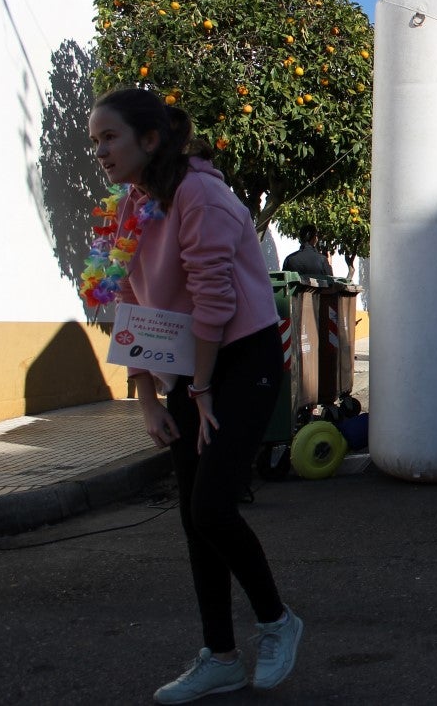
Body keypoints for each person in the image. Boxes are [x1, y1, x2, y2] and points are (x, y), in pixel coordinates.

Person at [84, 88, 302, 703]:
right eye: (95, 139)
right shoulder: (129, 205)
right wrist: (148, 397)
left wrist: (204, 388)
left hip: (241, 358)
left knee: (212, 508)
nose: (99, 150)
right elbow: (132, 303)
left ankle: (277, 622)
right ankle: (221, 656)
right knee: (191, 517)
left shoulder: (201, 195)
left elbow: (215, 301)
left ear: (149, 140)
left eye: (110, 138)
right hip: (183, 364)